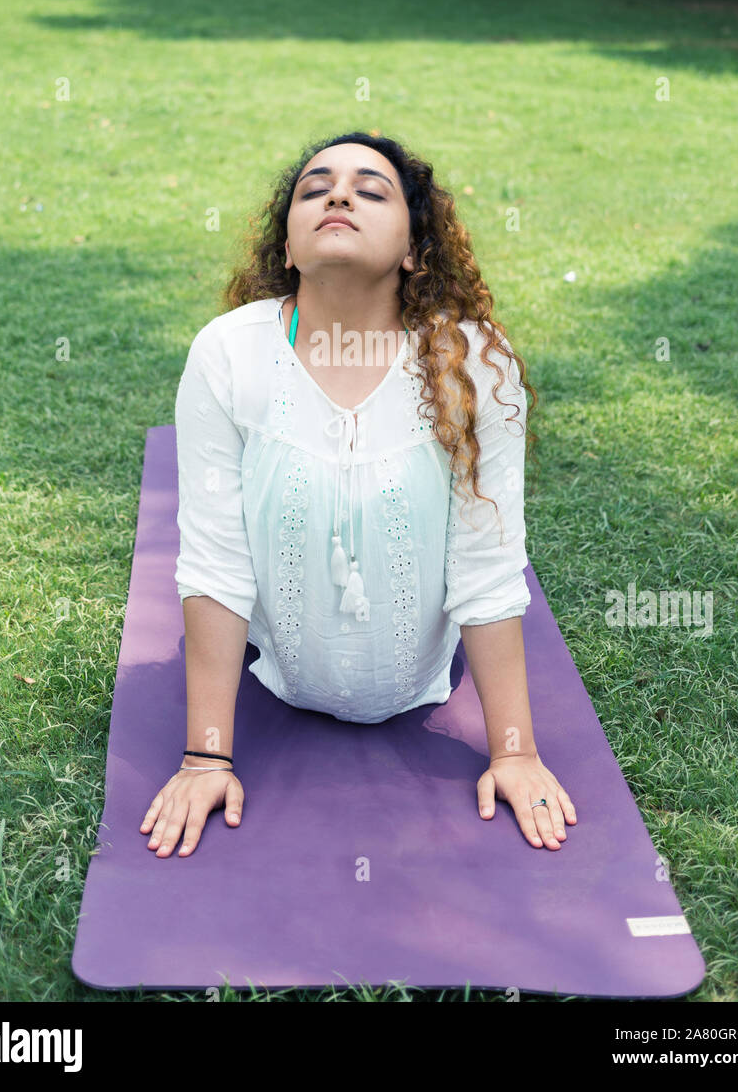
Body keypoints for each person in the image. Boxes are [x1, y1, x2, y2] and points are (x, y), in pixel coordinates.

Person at [140, 131, 577, 858]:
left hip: (422, 679)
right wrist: (205, 758)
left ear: (414, 249)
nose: (338, 195)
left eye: (371, 190)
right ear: (286, 248)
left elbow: (487, 562)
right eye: (316, 188)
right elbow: (215, 559)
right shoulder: (227, 352)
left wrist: (515, 753)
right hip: (275, 670)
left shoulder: (474, 364)